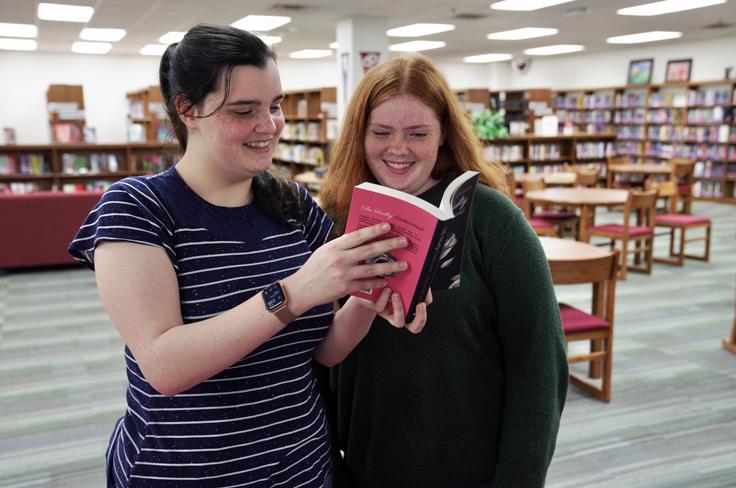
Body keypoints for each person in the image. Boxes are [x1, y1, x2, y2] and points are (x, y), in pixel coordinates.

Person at [67, 24, 429, 488]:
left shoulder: (294, 204)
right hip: (186, 472)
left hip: (303, 466)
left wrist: (365, 302)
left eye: (275, 106)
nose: (269, 125)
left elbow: (323, 349)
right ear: (188, 110)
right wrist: (294, 293)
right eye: (244, 110)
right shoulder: (136, 208)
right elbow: (165, 366)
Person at [319, 54, 569, 488]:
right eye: (381, 133)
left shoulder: (495, 221)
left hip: (473, 470)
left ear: (443, 135)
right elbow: (317, 360)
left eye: (418, 134)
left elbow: (539, 365)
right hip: (364, 467)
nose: (398, 149)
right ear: (358, 136)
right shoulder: (335, 223)